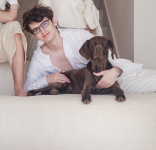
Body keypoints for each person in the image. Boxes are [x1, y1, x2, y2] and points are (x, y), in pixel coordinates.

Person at [22, 5, 156, 94]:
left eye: (45, 23)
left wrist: (115, 71)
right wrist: (47, 79)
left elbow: (112, 59)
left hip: (117, 75)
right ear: (35, 35)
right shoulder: (39, 60)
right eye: (36, 29)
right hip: (99, 87)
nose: (43, 30)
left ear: (54, 21)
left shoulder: (79, 35)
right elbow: (27, 88)